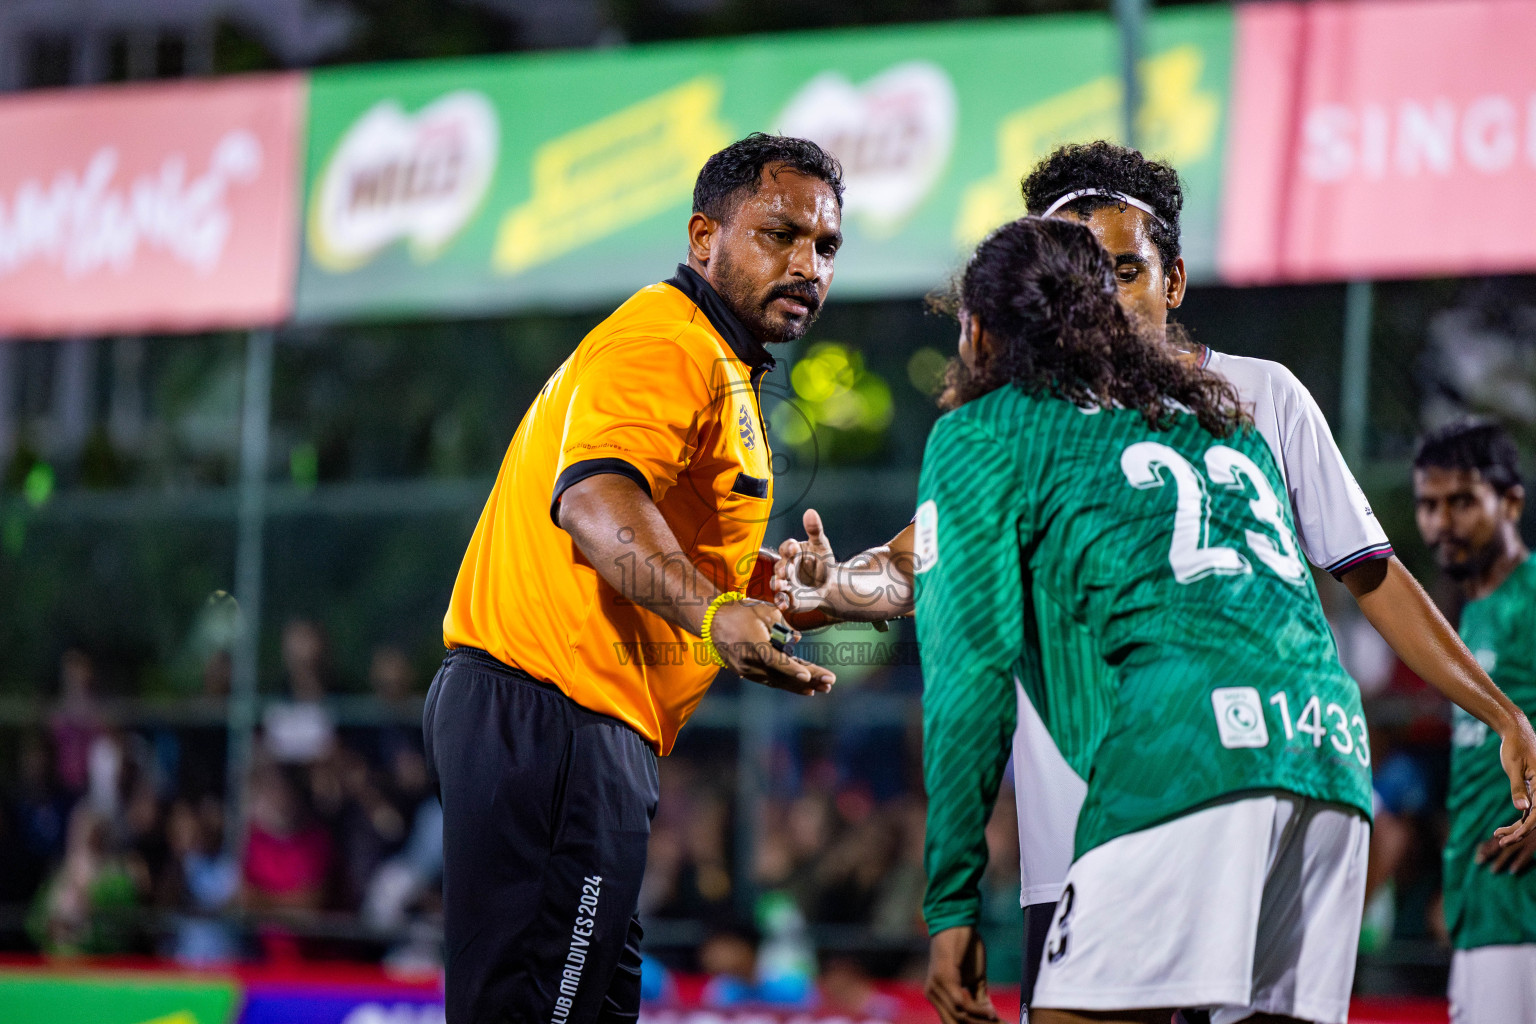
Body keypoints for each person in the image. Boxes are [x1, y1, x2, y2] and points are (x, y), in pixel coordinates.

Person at [772, 141, 1536, 1020]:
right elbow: (916, 562)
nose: (1098, 294)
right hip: (1289, 762)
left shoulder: (1238, 397)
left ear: (1173, 280)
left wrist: (1498, 708)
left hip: (1163, 780)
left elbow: (1374, 574)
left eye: (1123, 270)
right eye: (1075, 273)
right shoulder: (1189, 419)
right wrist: (834, 591)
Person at [427, 133, 842, 1024]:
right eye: (780, 234)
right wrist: (716, 610)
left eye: (825, 246)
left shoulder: (721, 364)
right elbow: (594, 503)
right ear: (704, 237)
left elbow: (682, 553)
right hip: (556, 717)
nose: (807, 263)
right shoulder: (668, 339)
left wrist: (794, 587)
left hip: (581, 731)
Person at [1413, 420, 1536, 1023]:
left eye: (1462, 501)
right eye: (1428, 505)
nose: (1441, 522)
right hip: (1482, 907)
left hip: (1524, 911)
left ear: (1511, 501)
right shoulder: (1469, 617)